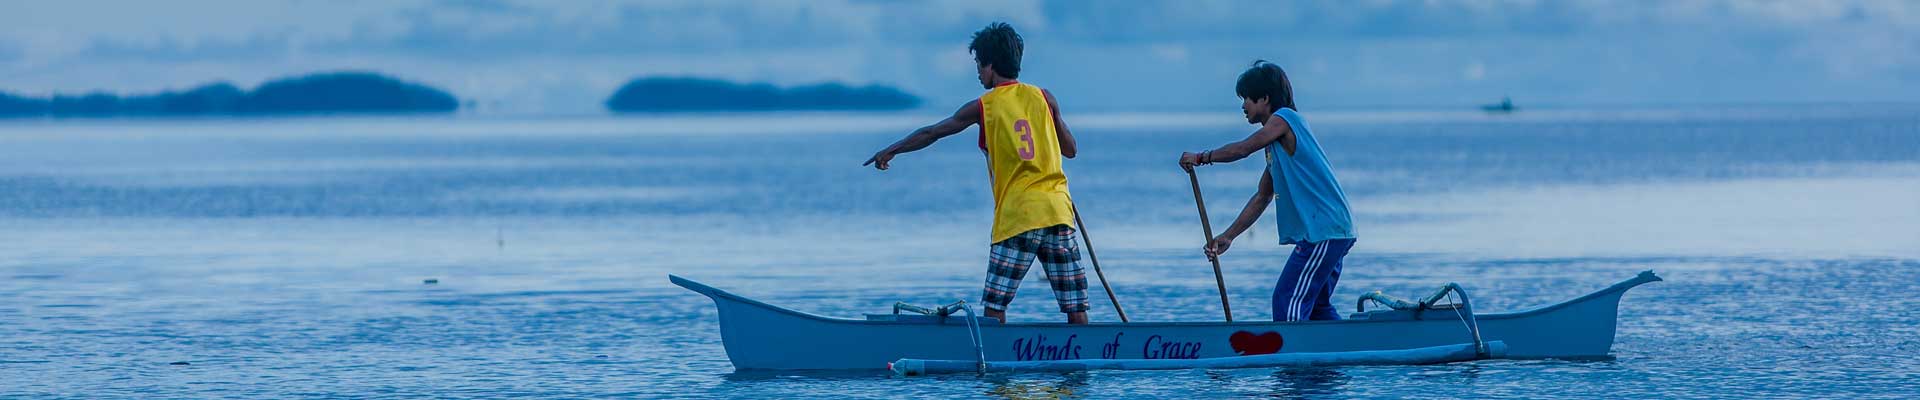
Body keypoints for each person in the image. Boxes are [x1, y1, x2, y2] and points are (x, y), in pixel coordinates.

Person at [863, 22, 1088, 324]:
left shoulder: (985, 106)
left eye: (979, 65)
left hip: (1019, 216)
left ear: (991, 65)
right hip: (1058, 211)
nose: (978, 73)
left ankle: (993, 367)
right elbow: (1070, 149)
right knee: (1076, 308)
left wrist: (892, 149)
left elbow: (933, 132)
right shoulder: (1044, 98)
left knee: (995, 307)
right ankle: (1077, 363)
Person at [1179, 60, 1356, 322]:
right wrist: (1229, 236)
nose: (1243, 107)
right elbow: (1262, 196)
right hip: (1329, 232)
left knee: (1287, 299)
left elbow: (1242, 149)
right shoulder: (1275, 146)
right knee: (1317, 308)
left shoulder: (1284, 119)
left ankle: (1290, 358)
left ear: (1264, 98)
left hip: (1324, 233)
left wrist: (1202, 157)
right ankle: (1344, 351)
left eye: (1247, 99)